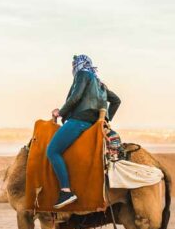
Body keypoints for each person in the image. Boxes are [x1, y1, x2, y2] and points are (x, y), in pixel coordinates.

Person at [48, 54, 121, 208]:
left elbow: (75, 98)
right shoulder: (100, 83)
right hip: (93, 124)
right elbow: (116, 101)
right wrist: (106, 120)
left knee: (52, 151)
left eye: (73, 65)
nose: (73, 69)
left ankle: (66, 191)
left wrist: (59, 112)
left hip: (79, 121)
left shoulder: (83, 74)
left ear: (78, 65)